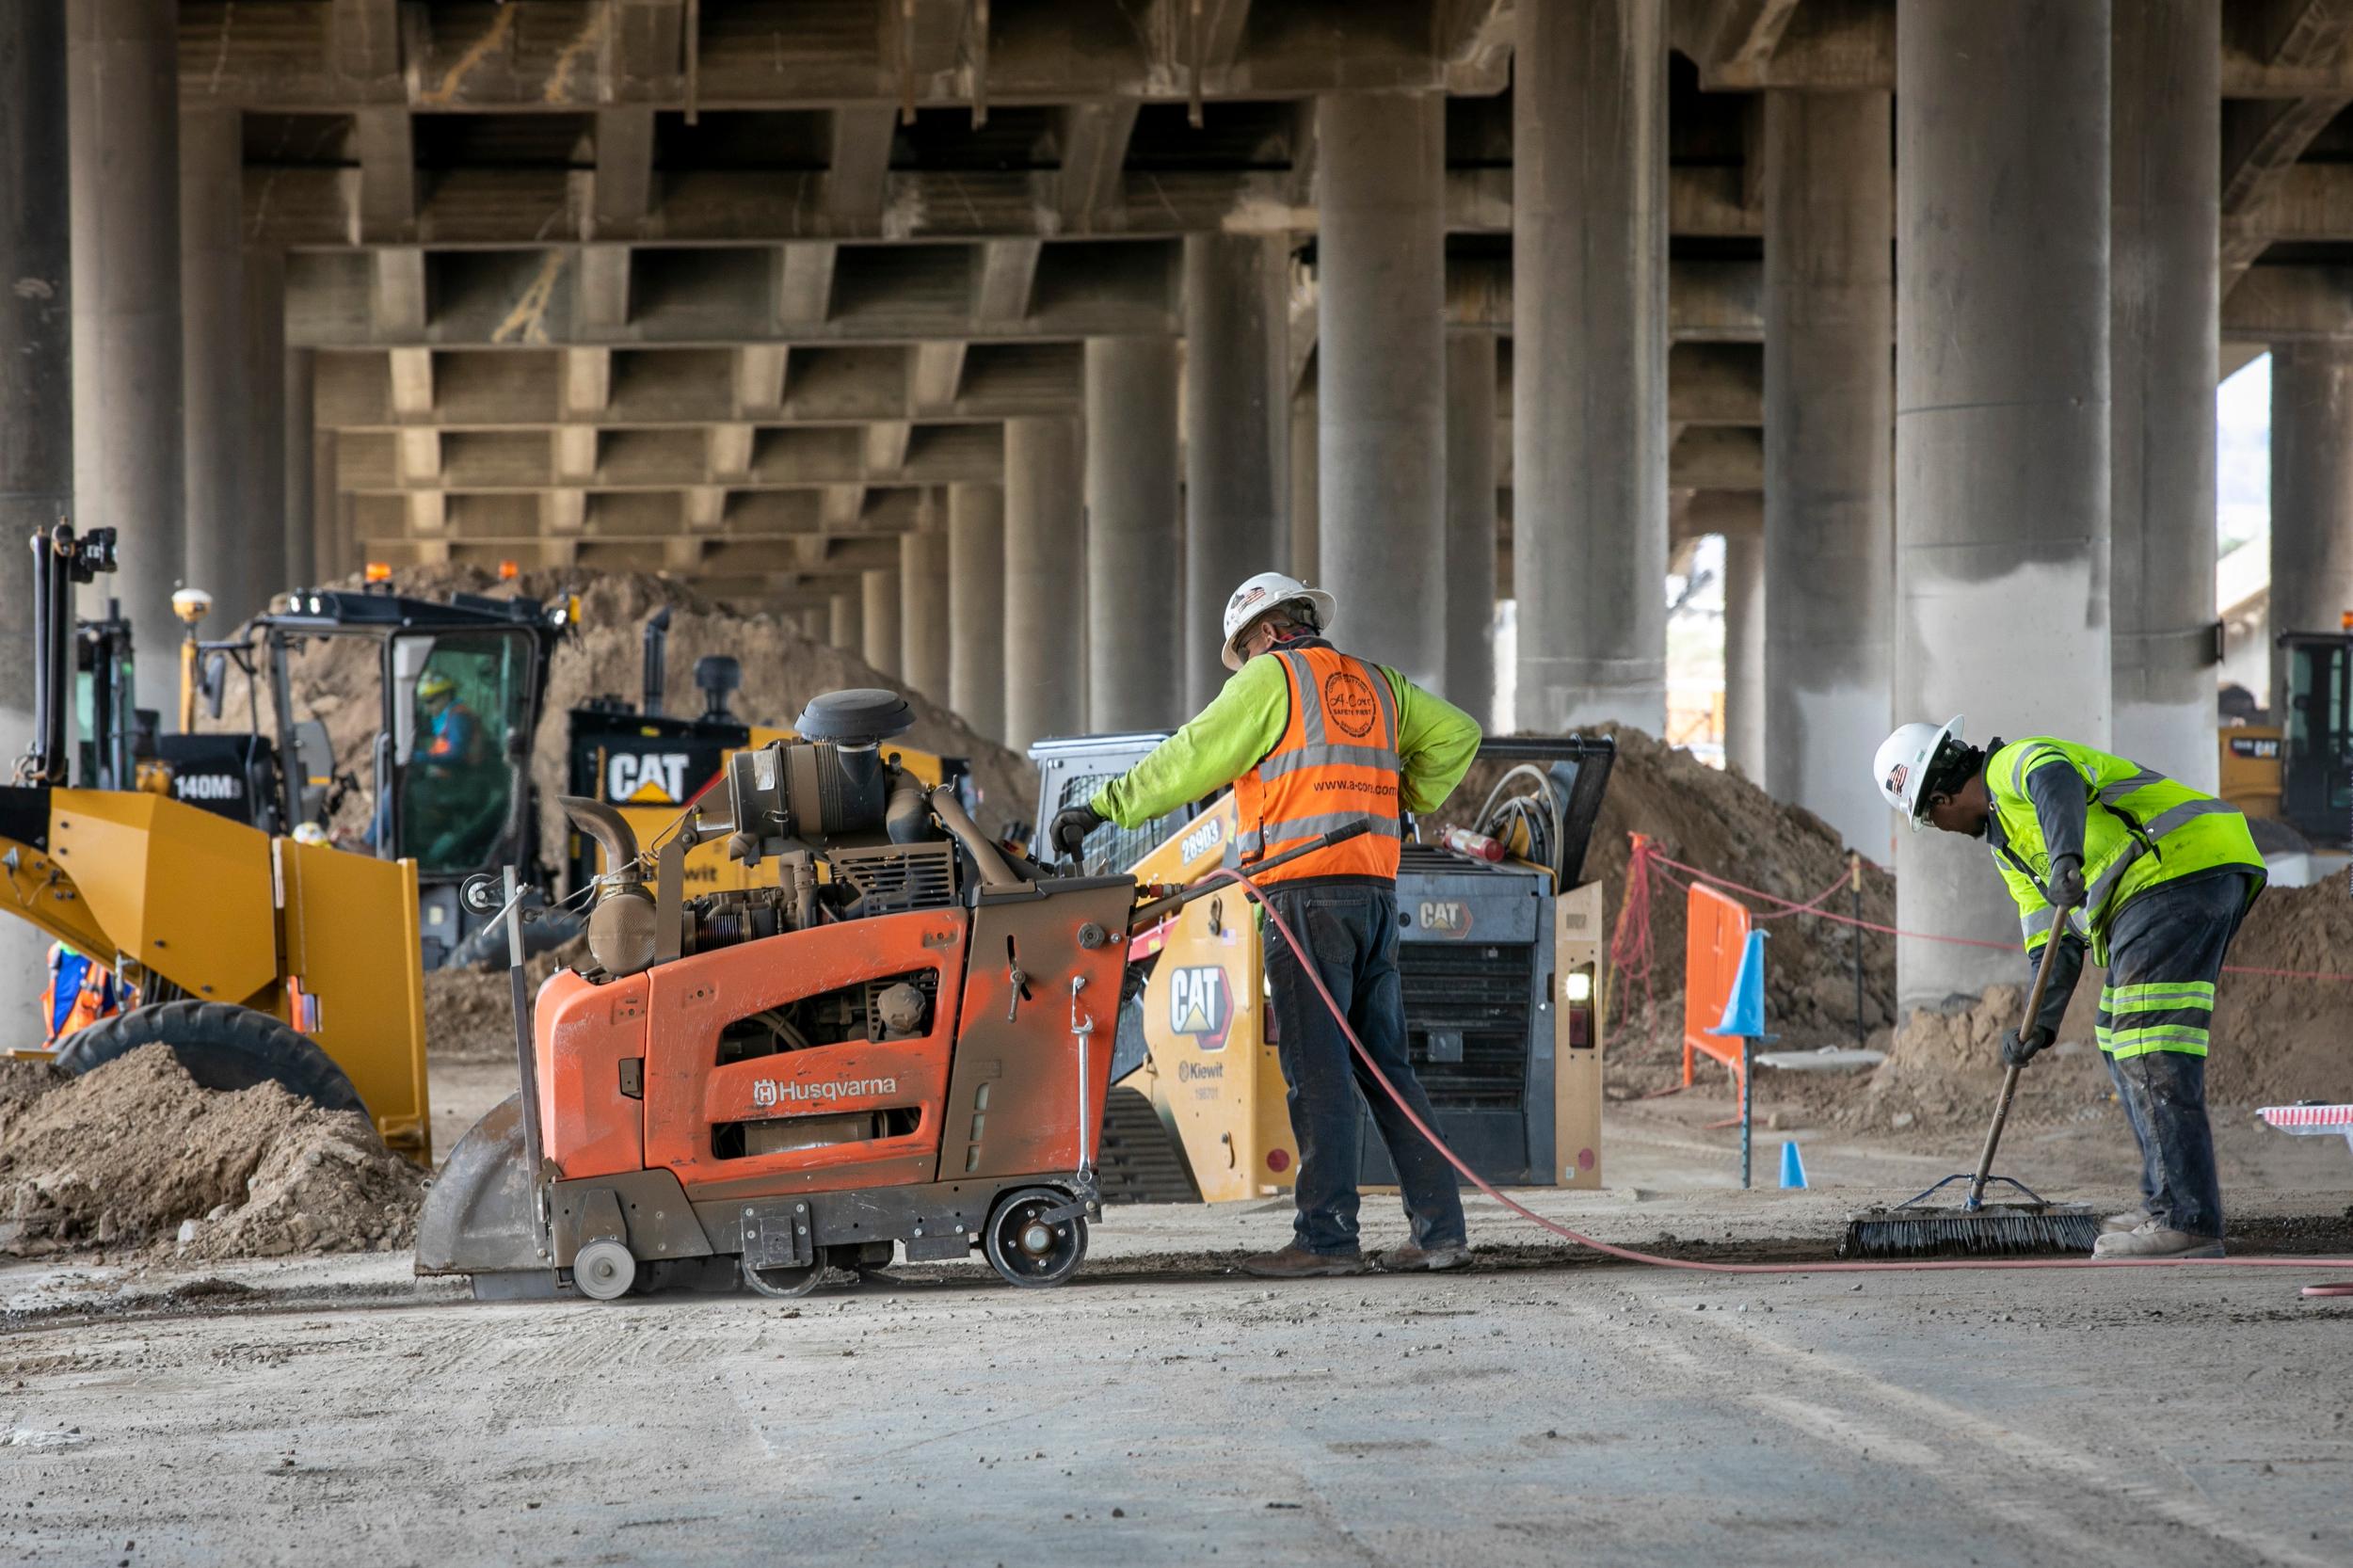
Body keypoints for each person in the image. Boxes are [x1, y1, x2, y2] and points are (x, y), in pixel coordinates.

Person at [1053, 571, 1482, 1277]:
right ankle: (1440, 1232)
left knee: (1318, 1073)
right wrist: (1404, 795)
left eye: (1245, 647)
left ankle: (1326, 1240)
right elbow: (1458, 735)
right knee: (1387, 1069)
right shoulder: (1379, 685)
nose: (1245, 661)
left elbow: (1189, 758)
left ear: (1270, 631)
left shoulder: (1271, 679)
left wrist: (1103, 809)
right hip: (1373, 893)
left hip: (1304, 895)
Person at [1873, 716, 2266, 1259]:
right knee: (2117, 1034)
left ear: (1940, 798)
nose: (1938, 827)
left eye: (1928, 816)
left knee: (2147, 1042)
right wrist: (2039, 1025)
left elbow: (2054, 778)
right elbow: (2052, 945)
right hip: (2171, 880)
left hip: (2174, 865)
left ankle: (2187, 1219)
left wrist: (2066, 858)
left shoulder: (2013, 766)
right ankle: (2168, 1204)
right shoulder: (2007, 846)